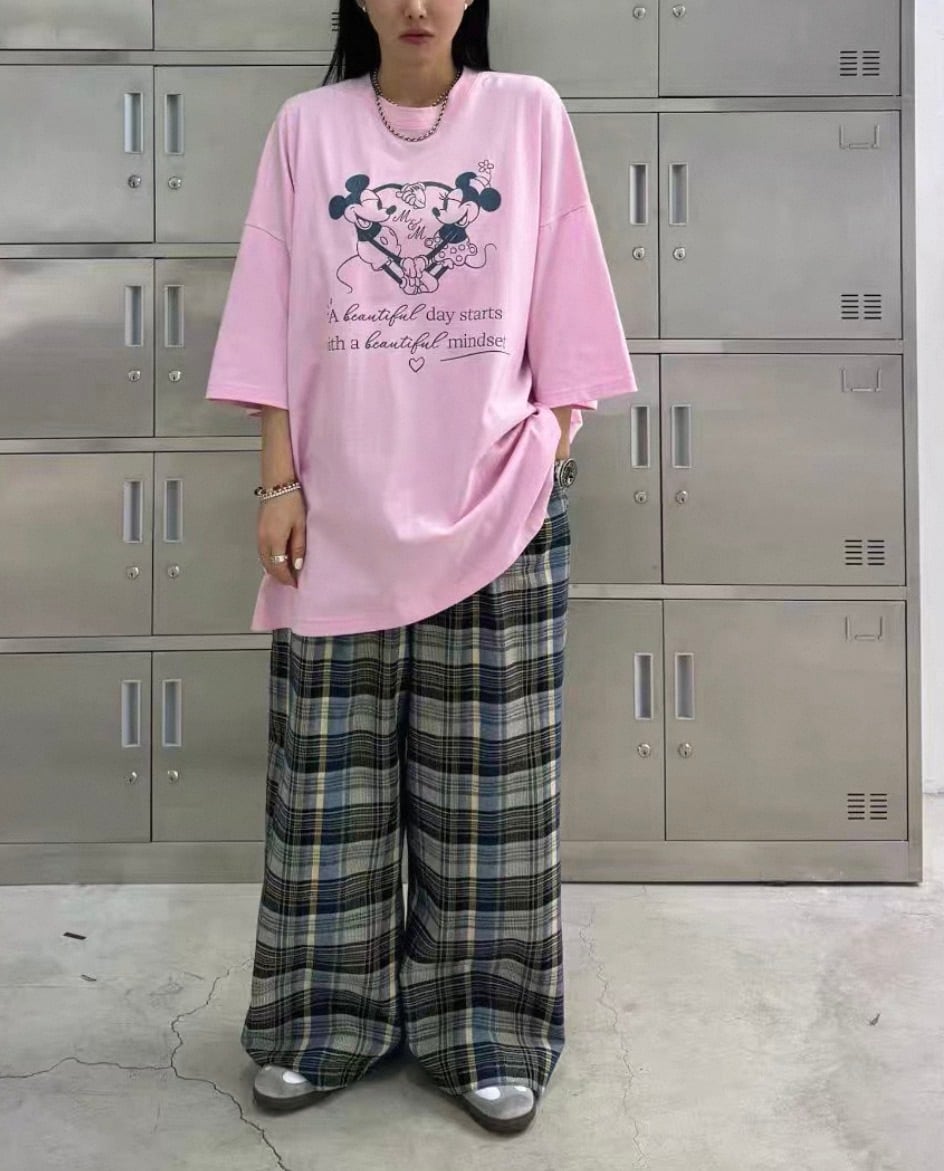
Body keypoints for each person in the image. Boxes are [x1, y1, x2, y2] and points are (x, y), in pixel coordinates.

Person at [205, 0, 639, 1137]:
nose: (416, 5)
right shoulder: (308, 129)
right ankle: (319, 1021)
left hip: (498, 505)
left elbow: (568, 281)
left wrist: (552, 440)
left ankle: (487, 1028)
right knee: (327, 793)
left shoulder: (525, 114)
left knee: (493, 794)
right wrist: (277, 481)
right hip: (338, 513)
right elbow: (268, 308)